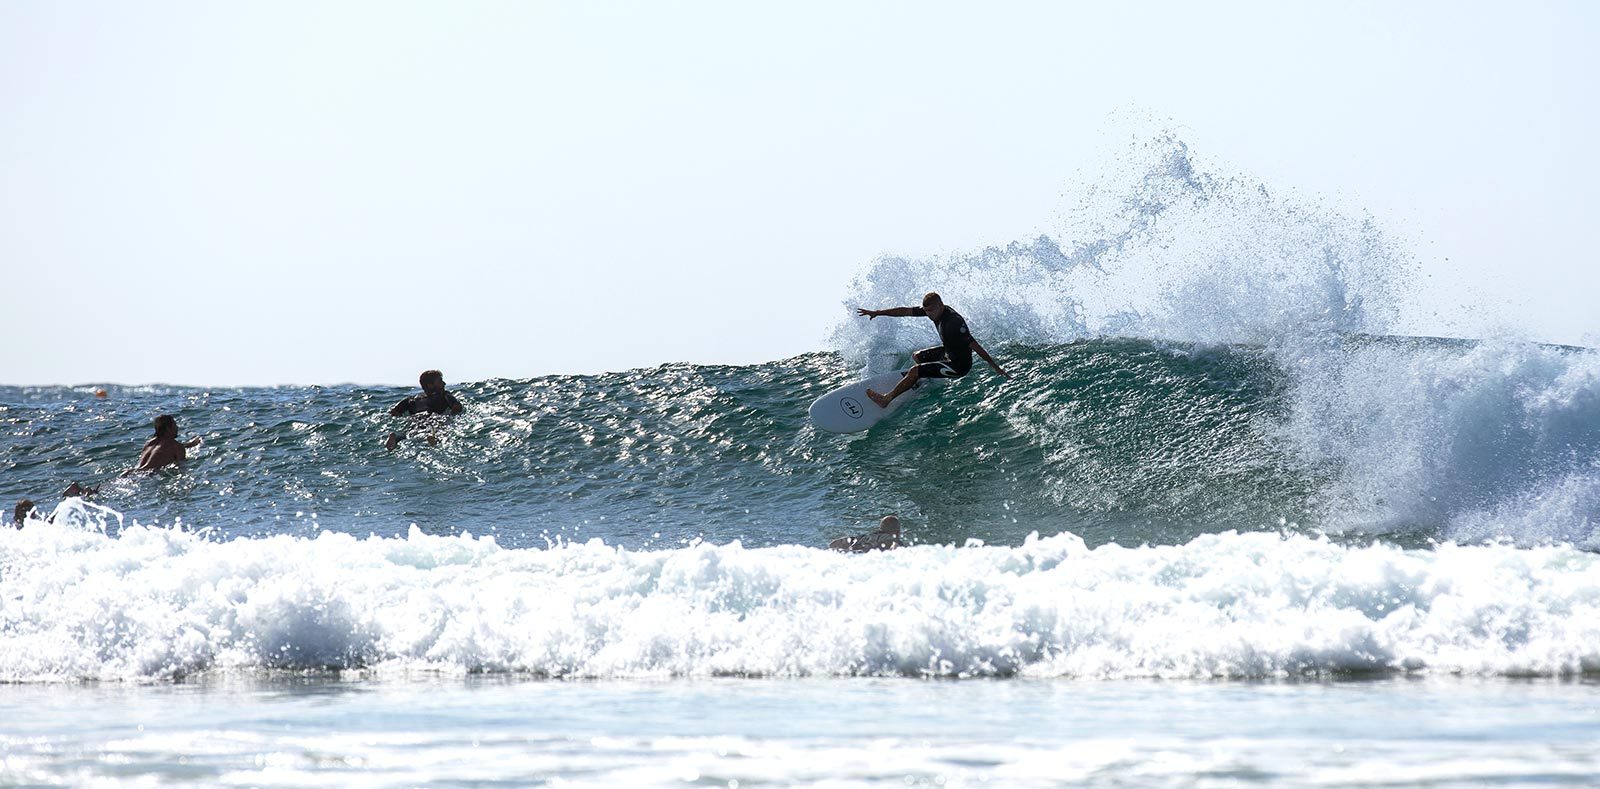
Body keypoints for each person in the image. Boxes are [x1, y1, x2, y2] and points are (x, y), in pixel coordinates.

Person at [856, 292, 1009, 408]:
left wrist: (994, 366)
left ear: (941, 306)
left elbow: (975, 345)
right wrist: (877, 312)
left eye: (931, 311)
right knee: (917, 356)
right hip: (948, 352)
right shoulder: (934, 310)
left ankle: (886, 399)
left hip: (959, 366)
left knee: (915, 370)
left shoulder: (953, 323)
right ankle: (920, 379)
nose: (929, 315)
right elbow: (904, 311)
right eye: (926, 311)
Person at [386, 369, 464, 451]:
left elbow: (393, 412)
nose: (444, 383)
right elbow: (457, 407)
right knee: (439, 432)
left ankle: (396, 437)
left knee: (410, 433)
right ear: (430, 385)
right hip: (435, 418)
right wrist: (451, 415)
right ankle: (433, 437)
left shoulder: (412, 399)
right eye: (440, 381)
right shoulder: (444, 395)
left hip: (417, 419)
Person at [124, 414, 202, 474]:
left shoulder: (149, 443)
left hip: (130, 473)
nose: (177, 428)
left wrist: (190, 444)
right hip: (148, 475)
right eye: (175, 425)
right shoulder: (176, 446)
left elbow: (163, 450)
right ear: (168, 428)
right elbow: (182, 468)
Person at [830, 515, 904, 552]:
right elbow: (896, 547)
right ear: (897, 531)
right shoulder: (891, 539)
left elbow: (833, 544)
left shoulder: (864, 537)